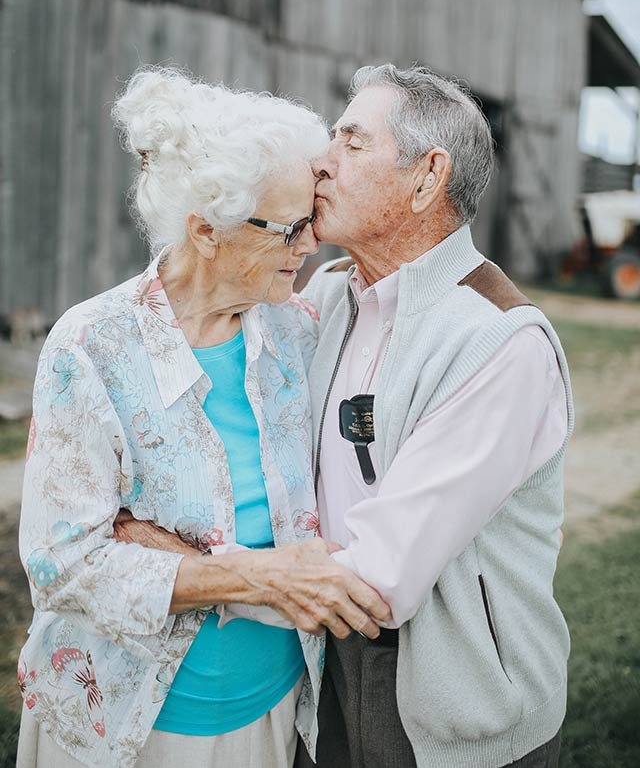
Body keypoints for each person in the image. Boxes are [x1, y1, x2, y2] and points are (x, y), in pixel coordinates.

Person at [16, 67, 390, 768]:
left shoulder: (300, 328)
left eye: (313, 219)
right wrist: (260, 576)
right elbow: (61, 565)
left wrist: (173, 554)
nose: (311, 245)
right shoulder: (92, 344)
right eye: (291, 228)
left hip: (272, 705)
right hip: (126, 722)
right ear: (207, 232)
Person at [297, 64, 572, 768]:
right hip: (321, 648)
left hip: (453, 699)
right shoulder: (329, 293)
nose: (320, 163)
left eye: (352, 144)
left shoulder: (499, 342)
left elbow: (382, 580)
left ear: (426, 177)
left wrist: (224, 569)